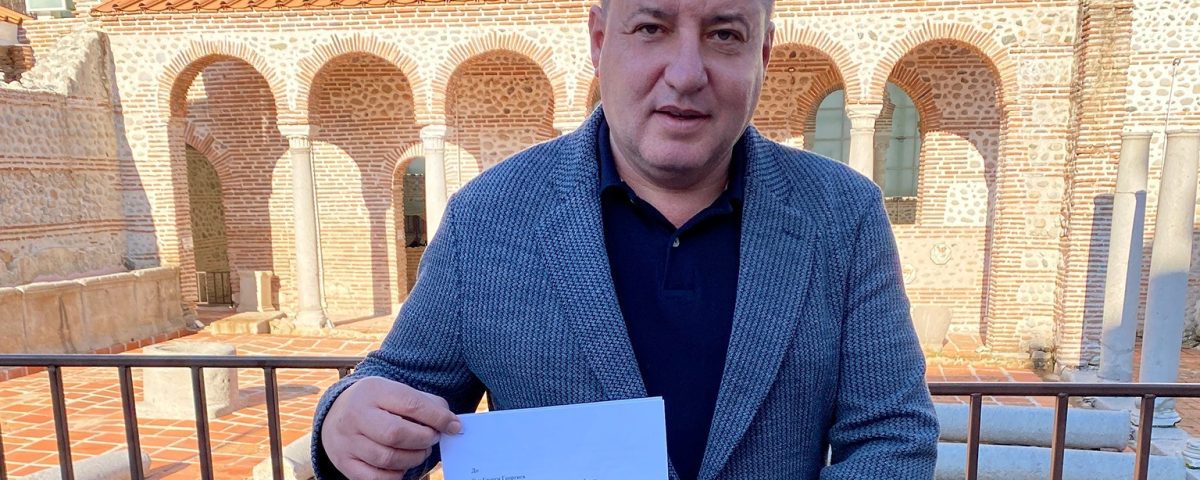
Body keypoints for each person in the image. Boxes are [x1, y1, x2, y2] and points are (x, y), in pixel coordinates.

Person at [312, 0, 938, 478]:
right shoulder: (488, 217)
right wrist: (343, 420)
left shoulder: (843, 214)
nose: (687, 74)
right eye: (651, 27)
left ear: (763, 54)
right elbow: (399, 388)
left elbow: (892, 436)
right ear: (599, 39)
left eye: (725, 34)